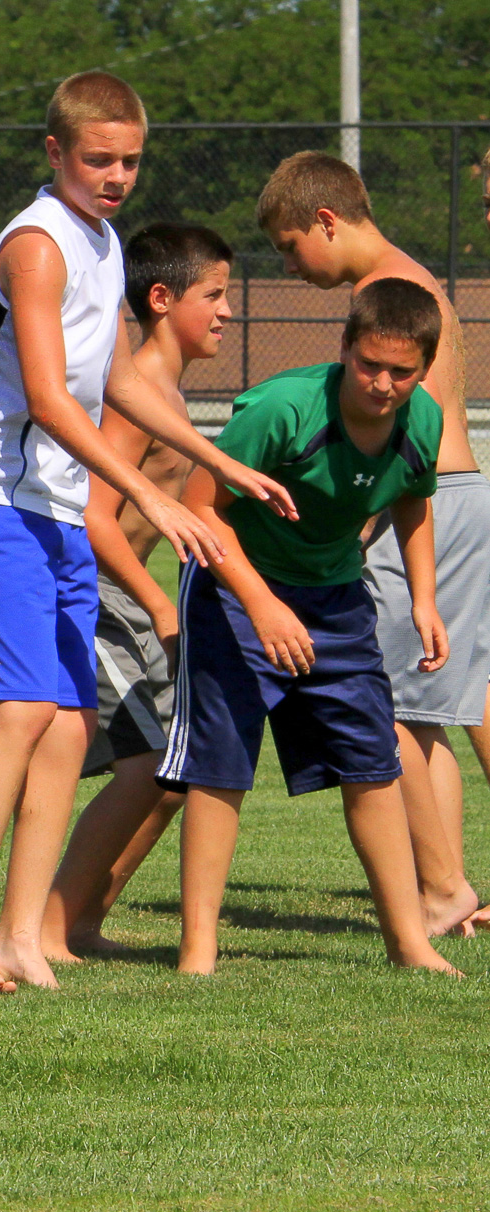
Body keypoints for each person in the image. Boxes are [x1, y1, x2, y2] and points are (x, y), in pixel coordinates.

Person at [0, 71, 293, 992]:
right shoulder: (37, 246)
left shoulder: (101, 241)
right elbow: (51, 400)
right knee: (21, 711)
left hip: (47, 508)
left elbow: (120, 381)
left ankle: (21, 934)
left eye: (129, 160)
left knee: (67, 722)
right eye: (98, 159)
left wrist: (216, 462)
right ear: (56, 152)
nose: (117, 176)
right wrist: (150, 498)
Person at [159, 280, 459, 977]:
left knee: (373, 761)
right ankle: (198, 951)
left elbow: (413, 501)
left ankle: (409, 945)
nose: (382, 384)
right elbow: (200, 505)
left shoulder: (423, 419)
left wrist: (424, 600)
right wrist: (260, 603)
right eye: (369, 364)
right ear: (344, 347)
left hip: (335, 596)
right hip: (236, 584)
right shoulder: (281, 408)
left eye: (401, 372)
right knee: (221, 765)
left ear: (424, 369)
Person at [258, 151, 487, 937]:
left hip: (424, 508)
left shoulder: (389, 295)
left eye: (290, 246)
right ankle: (444, 888)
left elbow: (399, 432)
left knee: (380, 702)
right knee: (422, 711)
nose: (289, 266)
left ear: (325, 221)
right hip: (452, 500)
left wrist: (349, 524)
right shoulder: (407, 280)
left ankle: (442, 888)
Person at [39, 224, 233, 960]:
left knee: (173, 775)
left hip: (133, 599)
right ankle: (48, 928)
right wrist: (156, 604)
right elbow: (94, 518)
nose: (226, 311)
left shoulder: (167, 396)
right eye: (213, 295)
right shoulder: (133, 395)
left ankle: (81, 921)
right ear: (161, 298)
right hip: (95, 596)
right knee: (148, 765)